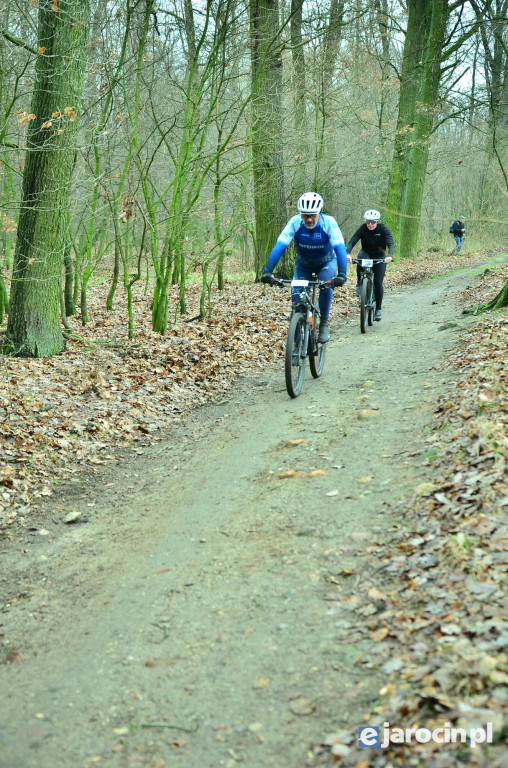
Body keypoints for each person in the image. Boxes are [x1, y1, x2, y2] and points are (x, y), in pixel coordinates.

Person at [261, 192, 348, 343]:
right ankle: (296, 345)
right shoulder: (295, 222)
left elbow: (340, 248)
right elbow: (280, 246)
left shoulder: (328, 223)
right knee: (296, 306)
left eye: (312, 215)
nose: (308, 219)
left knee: (325, 282)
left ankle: (324, 324)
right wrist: (268, 271)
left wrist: (342, 273)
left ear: (319, 212)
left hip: (326, 263)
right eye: (305, 215)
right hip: (304, 266)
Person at [345, 209, 394, 321]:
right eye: (368, 222)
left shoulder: (383, 229)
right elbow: (353, 240)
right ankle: (359, 284)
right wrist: (347, 253)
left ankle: (378, 309)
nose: (370, 225)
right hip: (366, 253)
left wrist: (389, 256)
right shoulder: (363, 228)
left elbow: (390, 242)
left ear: (376, 222)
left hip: (379, 256)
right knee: (359, 259)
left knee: (378, 282)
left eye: (373, 222)